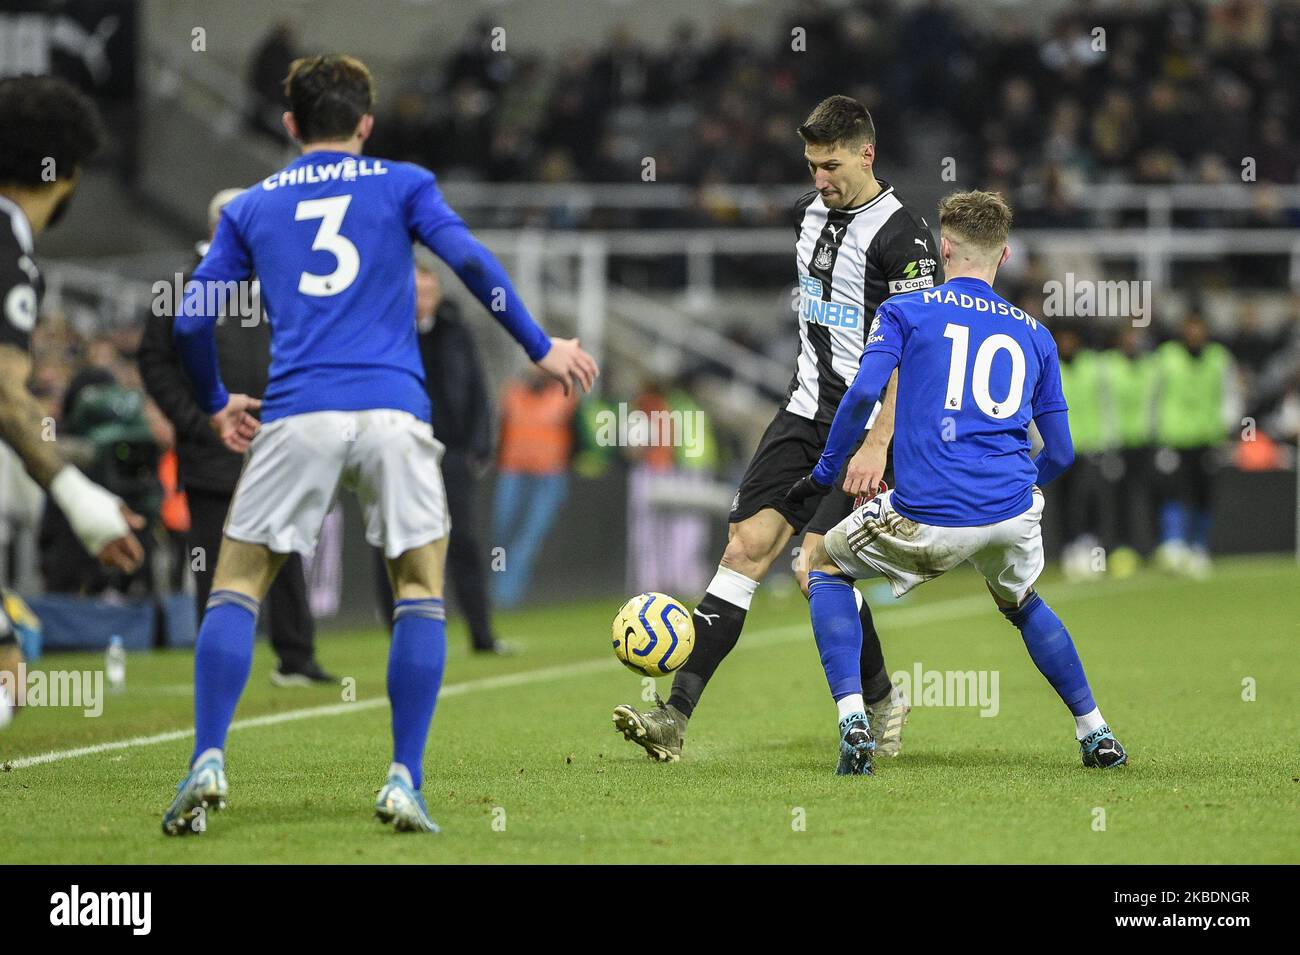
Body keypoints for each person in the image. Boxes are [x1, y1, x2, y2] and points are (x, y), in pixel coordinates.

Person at [162, 54, 597, 835]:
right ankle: (403, 777)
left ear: (290, 125)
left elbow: (190, 319)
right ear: (366, 124)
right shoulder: (403, 183)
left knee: (236, 584)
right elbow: (467, 260)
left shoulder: (251, 206)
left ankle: (208, 758)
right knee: (419, 588)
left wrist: (216, 401)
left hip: (296, 414)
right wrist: (537, 345)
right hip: (394, 412)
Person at [612, 95, 938, 761]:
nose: (820, 178)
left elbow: (916, 351)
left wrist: (879, 442)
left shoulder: (905, 238)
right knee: (743, 549)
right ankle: (674, 716)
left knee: (819, 566)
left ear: (866, 153)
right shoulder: (806, 215)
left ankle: (877, 699)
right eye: (812, 165)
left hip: (871, 428)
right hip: (801, 412)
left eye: (832, 164)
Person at [788, 190, 1126, 775]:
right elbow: (1064, 452)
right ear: (1005, 255)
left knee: (824, 566)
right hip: (1013, 512)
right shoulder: (1037, 335)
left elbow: (866, 392)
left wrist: (824, 473)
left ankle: (853, 719)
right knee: (1022, 602)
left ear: (944, 248)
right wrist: (1025, 489)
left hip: (930, 512)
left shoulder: (906, 312)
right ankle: (1094, 730)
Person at [138, 188, 333, 685]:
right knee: (215, 563)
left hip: (278, 443)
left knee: (285, 551)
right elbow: (155, 363)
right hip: (213, 450)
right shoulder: (182, 286)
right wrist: (198, 417)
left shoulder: (278, 283)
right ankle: (221, 670)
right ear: (219, 225)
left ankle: (296, 656)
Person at [0, 76, 145, 725]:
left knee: (8, 660)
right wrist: (82, 500)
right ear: (70, 173)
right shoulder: (7, 246)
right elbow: (5, 396)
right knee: (7, 675)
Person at [372, 262, 510, 654]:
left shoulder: (455, 330)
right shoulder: (387, 332)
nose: (423, 301)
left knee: (462, 541)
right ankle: (399, 635)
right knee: (392, 542)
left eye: (429, 292)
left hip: (450, 453)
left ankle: (482, 634)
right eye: (416, 293)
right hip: (399, 453)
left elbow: (478, 388)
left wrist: (478, 445)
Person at [1151, 313, 1236, 577]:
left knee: (1203, 494)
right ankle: (1174, 543)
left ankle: (1199, 547)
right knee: (1172, 490)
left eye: (1199, 327)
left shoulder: (1219, 358)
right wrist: (1155, 433)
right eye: (1190, 327)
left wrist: (1227, 430)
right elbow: (1154, 395)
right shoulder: (1167, 356)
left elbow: (1230, 395)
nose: (1194, 333)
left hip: (1207, 438)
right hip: (1174, 438)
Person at [490, 368, 577, 609]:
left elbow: (576, 434)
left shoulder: (564, 395)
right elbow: (499, 428)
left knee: (529, 536)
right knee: (502, 532)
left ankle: (506, 595)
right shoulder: (512, 393)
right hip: (512, 471)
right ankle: (496, 584)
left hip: (548, 475)